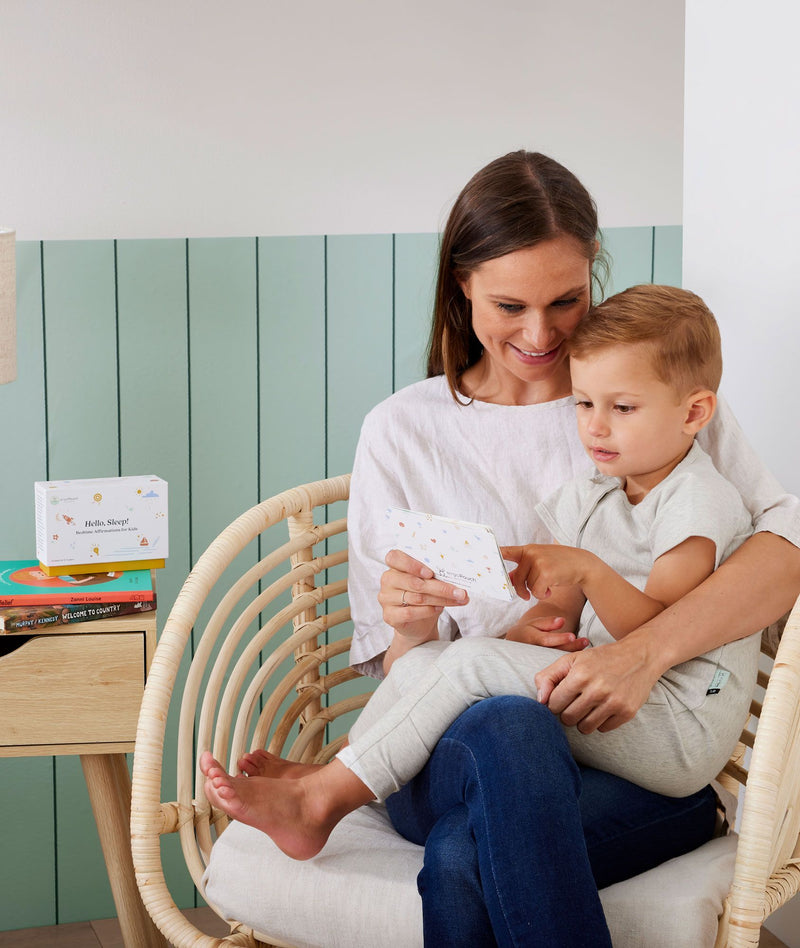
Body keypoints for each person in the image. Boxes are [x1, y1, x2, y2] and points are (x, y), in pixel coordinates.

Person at [203, 151, 800, 947]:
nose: (541, 332)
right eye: (510, 304)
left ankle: (326, 791)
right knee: (507, 726)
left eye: (567, 300)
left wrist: (642, 652)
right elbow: (406, 665)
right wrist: (421, 625)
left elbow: (783, 551)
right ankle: (336, 781)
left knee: (462, 852)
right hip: (459, 751)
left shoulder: (657, 399)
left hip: (629, 746)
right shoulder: (404, 431)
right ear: (460, 286)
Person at [201, 283, 758, 844]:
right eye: (584, 404)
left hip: (675, 726)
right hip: (605, 701)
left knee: (466, 665)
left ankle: (319, 803)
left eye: (623, 408)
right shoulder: (594, 495)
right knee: (433, 661)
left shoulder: (697, 500)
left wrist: (587, 570)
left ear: (694, 413)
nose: (595, 426)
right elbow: (557, 618)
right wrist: (528, 631)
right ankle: (338, 769)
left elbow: (658, 632)